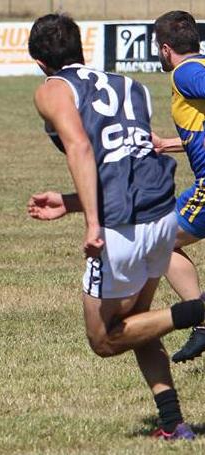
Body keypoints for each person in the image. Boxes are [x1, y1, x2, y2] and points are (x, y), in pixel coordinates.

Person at [26, 13, 201, 440]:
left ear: (39, 61)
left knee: (105, 339)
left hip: (122, 223)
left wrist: (90, 222)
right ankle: (173, 423)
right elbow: (127, 158)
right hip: (160, 210)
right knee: (143, 320)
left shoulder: (51, 89)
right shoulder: (131, 86)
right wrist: (70, 203)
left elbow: (82, 147)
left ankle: (198, 311)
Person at [151, 10, 205, 363]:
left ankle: (200, 321)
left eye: (159, 47)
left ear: (167, 48)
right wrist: (165, 143)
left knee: (159, 238)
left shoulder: (187, 72)